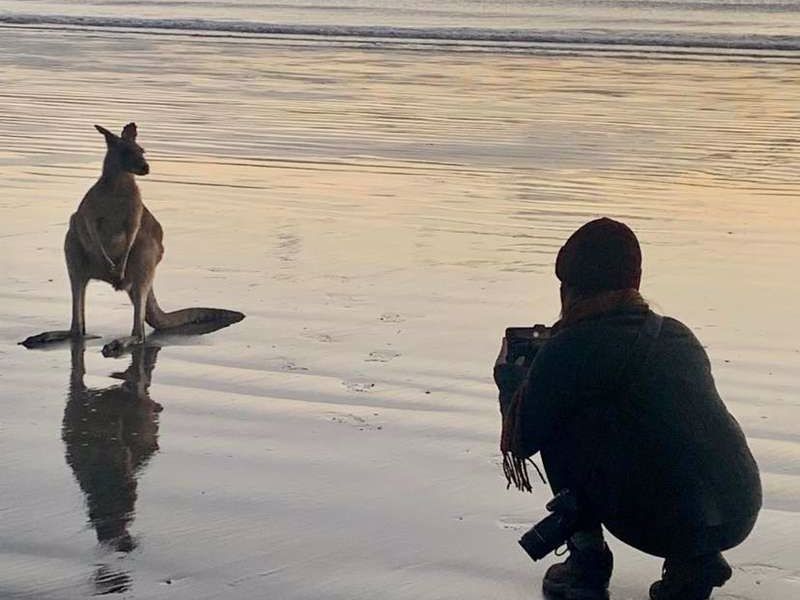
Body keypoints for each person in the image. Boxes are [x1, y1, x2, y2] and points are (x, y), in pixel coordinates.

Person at [494, 218, 761, 600]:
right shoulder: (675, 332)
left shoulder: (567, 350)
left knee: (561, 426)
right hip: (740, 507)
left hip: (661, 523)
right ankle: (693, 563)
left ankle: (588, 561)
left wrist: (512, 381)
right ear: (634, 281)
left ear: (569, 288)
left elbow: (523, 440)